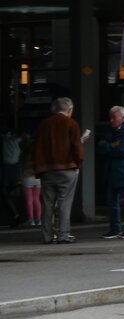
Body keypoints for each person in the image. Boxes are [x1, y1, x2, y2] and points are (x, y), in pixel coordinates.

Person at [32, 97, 83, 245]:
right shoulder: (71, 124)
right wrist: (77, 164)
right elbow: (77, 148)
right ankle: (63, 234)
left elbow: (36, 147)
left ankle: (47, 236)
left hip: (47, 170)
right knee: (64, 203)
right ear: (70, 110)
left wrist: (38, 168)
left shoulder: (44, 124)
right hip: (67, 169)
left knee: (47, 204)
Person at [96, 106, 124, 240]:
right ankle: (115, 229)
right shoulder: (110, 132)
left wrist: (108, 147)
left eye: (114, 117)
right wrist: (112, 146)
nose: (111, 120)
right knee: (113, 202)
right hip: (113, 172)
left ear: (122, 118)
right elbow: (99, 148)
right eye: (111, 117)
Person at [19, 132, 41, 228]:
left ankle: (31, 220)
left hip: (27, 177)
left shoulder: (25, 153)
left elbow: (23, 165)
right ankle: (39, 220)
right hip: (38, 178)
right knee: (37, 199)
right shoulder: (38, 154)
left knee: (29, 200)